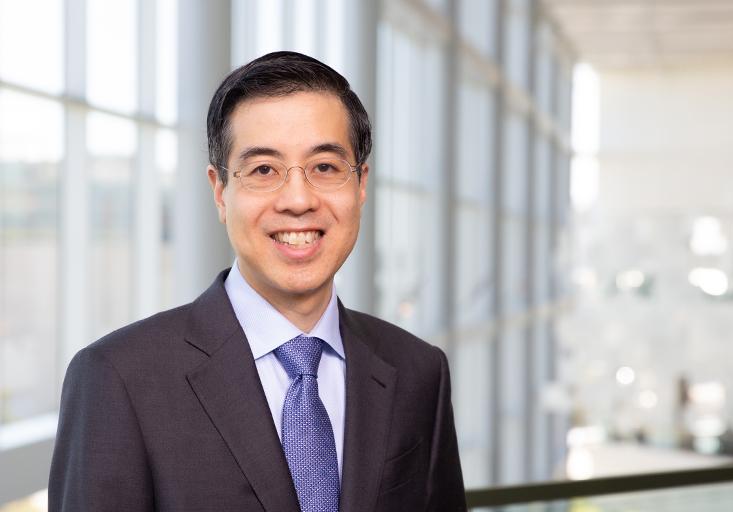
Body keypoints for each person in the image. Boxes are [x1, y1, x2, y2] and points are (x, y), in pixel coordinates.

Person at [49, 51, 466, 512]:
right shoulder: (118, 379)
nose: (298, 199)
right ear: (220, 191)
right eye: (264, 170)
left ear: (361, 184)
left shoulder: (418, 372)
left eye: (325, 167)